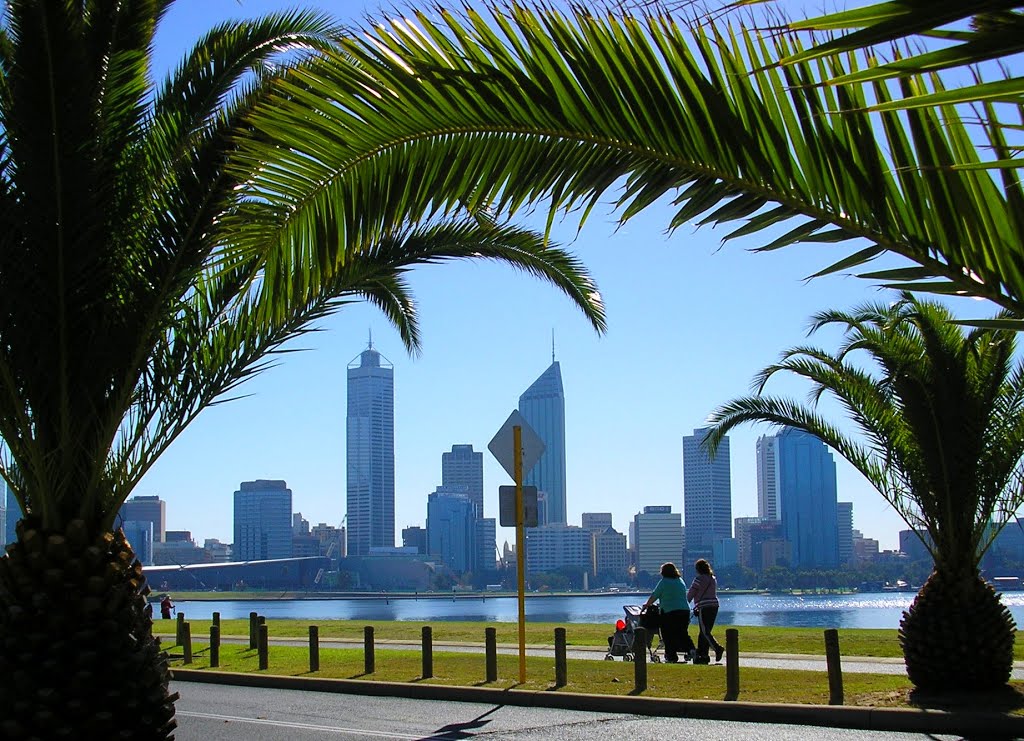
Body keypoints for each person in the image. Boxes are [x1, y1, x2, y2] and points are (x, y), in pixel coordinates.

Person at [644, 562, 696, 663]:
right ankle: (691, 649)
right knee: (683, 633)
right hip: (684, 611)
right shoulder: (680, 581)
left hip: (669, 612)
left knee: (668, 634)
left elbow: (655, 595)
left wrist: (646, 605)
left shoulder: (664, 582)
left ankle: (671, 655)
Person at [688, 558, 725, 664]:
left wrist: (687, 604)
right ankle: (703, 655)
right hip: (714, 606)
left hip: (704, 606)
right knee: (704, 631)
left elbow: (691, 594)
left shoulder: (698, 579)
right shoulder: (712, 578)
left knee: (705, 631)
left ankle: (717, 648)